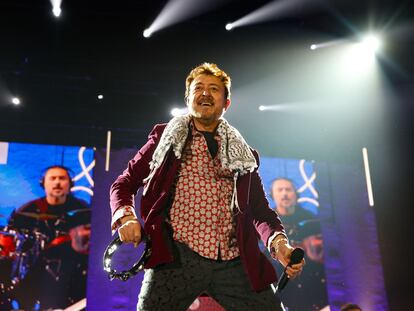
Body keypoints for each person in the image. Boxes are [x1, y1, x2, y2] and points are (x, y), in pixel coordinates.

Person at [110, 62, 305, 311]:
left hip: (234, 261)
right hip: (178, 257)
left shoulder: (244, 154)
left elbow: (259, 211)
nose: (205, 93)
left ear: (226, 103)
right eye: (198, 88)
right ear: (188, 98)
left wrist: (280, 246)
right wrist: (126, 216)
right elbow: (124, 183)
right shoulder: (164, 139)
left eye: (213, 89)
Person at [7, 165, 90, 310]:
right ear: (43, 183)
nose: (57, 182)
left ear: (70, 184)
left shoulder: (81, 209)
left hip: (70, 271)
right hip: (33, 268)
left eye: (62, 178)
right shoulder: (27, 211)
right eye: (53, 178)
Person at [269, 177, 327, 310]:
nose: (284, 193)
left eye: (288, 189)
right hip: (278, 280)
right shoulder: (268, 222)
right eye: (280, 190)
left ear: (296, 194)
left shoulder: (310, 219)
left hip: (309, 280)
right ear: (273, 195)